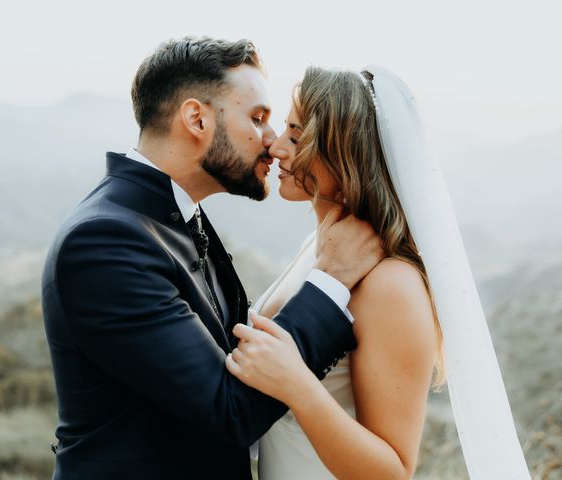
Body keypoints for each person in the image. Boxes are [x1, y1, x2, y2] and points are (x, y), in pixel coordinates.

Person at [41, 38, 384, 480]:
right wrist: (331, 281)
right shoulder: (104, 242)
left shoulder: (177, 217)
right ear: (196, 118)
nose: (271, 141)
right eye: (258, 118)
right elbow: (230, 410)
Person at [226, 66, 531, 479]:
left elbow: (393, 471)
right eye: (284, 129)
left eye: (297, 137)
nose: (276, 148)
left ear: (347, 155)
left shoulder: (390, 284)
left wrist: (296, 384)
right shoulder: (321, 252)